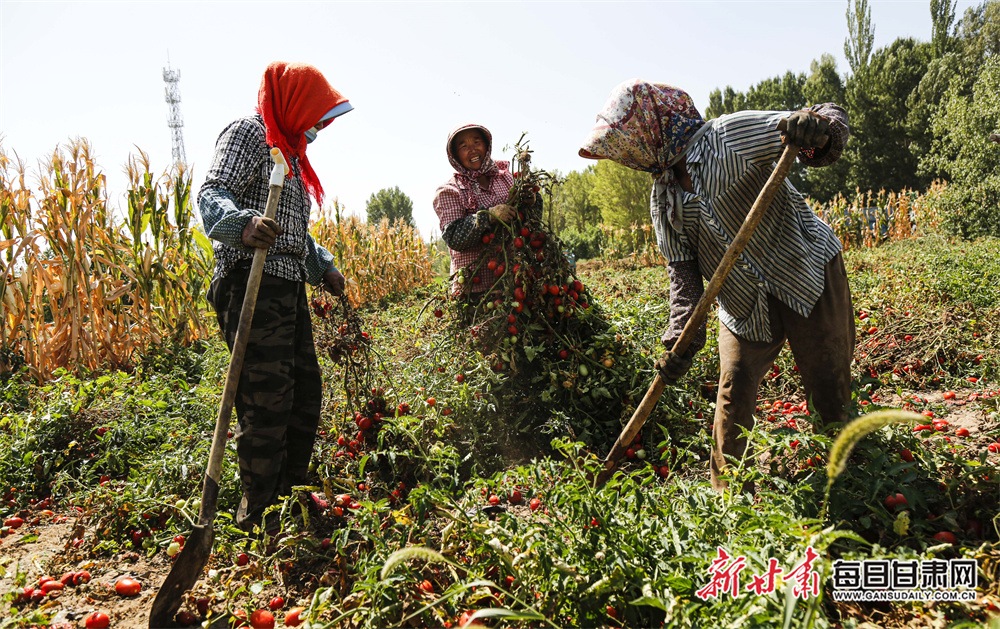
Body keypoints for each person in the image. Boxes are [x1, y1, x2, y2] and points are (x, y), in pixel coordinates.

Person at [579, 79, 853, 493]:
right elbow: (684, 280)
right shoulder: (663, 200)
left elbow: (823, 124)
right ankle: (728, 499)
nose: (627, 157)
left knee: (828, 385)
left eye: (628, 144)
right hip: (743, 302)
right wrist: (679, 342)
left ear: (651, 129)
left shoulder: (729, 135)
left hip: (804, 272)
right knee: (732, 394)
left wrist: (817, 127)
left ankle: (847, 485)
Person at [198, 61, 352, 531]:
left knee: (305, 392)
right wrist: (243, 224)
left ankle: (292, 494)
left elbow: (292, 233)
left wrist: (323, 267)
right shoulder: (250, 133)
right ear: (294, 103)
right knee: (267, 400)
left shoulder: (291, 153)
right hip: (250, 280)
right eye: (315, 115)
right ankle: (261, 512)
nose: (318, 127)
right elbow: (212, 192)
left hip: (285, 284)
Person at [433, 124, 539, 299]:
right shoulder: (449, 191)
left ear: (487, 145)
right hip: (474, 289)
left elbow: (528, 223)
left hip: (514, 281)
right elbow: (453, 237)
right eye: (464, 146)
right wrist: (489, 216)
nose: (472, 150)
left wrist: (532, 200)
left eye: (477, 142)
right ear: (455, 155)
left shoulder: (506, 178)